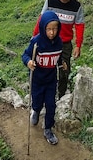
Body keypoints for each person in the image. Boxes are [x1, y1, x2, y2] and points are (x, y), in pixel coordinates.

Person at [32, 0, 85, 99]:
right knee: (44, 69)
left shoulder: (76, 6)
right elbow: (41, 20)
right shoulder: (50, 2)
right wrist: (34, 37)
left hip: (64, 44)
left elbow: (79, 26)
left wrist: (78, 45)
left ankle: (61, 96)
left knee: (64, 71)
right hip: (47, 42)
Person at [22, 11, 65, 145]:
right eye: (49, 29)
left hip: (51, 80)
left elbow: (57, 56)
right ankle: (35, 110)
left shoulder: (59, 42)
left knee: (51, 105)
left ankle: (48, 129)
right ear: (43, 28)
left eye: (55, 29)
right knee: (38, 102)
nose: (52, 32)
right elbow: (25, 55)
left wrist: (61, 63)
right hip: (37, 80)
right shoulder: (36, 42)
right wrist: (29, 62)